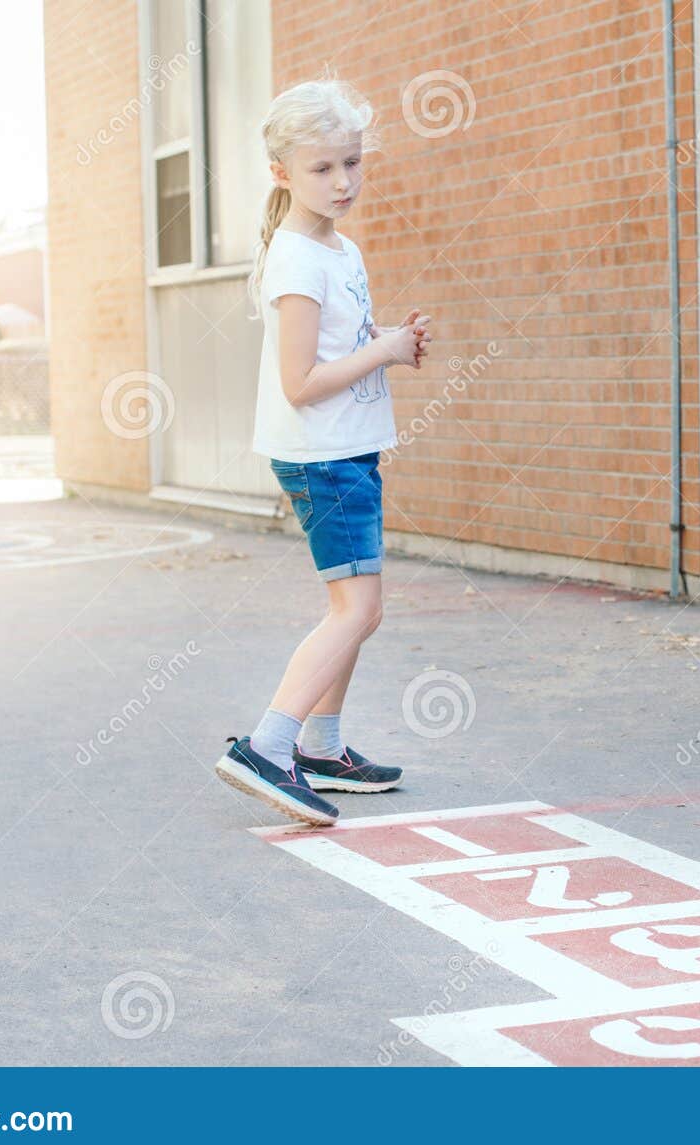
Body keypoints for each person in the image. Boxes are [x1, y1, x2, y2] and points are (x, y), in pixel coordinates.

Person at [215, 77, 431, 827]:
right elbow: (301, 382)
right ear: (282, 174)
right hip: (323, 455)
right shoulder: (298, 259)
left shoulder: (340, 249)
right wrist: (388, 353)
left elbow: (334, 348)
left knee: (356, 609)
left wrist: (382, 343)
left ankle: (323, 746)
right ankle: (268, 746)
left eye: (352, 163)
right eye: (322, 169)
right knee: (357, 608)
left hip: (349, 449)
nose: (343, 181)